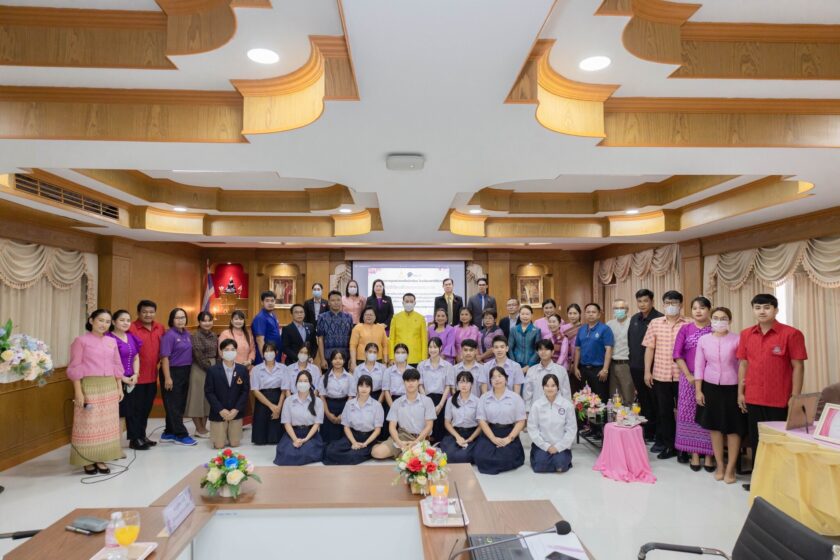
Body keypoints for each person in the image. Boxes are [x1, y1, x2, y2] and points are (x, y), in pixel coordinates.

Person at [736, 293, 807, 491]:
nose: (762, 311)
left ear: (776, 310)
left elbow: (798, 366)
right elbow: (743, 364)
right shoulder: (746, 334)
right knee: (757, 441)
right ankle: (759, 481)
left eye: (767, 307)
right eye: (758, 307)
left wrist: (795, 396)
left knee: (778, 443)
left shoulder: (791, 334)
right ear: (753, 310)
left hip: (780, 399)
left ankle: (780, 485)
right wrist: (740, 392)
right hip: (753, 397)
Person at [68, 309, 125, 474]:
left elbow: (117, 365)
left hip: (109, 387)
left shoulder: (111, 341)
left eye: (107, 322)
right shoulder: (80, 341)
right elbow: (75, 367)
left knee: (106, 425)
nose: (104, 324)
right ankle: (87, 460)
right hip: (90, 386)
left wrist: (119, 387)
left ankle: (101, 458)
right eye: (100, 320)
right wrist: (78, 392)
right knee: (88, 423)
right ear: (91, 320)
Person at [695, 307, 746, 484]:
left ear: (729, 321)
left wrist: (741, 391)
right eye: (715, 318)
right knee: (714, 428)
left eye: (723, 318)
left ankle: (730, 468)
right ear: (711, 320)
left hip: (732, 387)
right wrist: (698, 390)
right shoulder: (703, 340)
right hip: (710, 387)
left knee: (733, 429)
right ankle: (720, 466)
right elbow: (699, 366)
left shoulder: (738, 339)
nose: (719, 321)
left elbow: (743, 366)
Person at [643, 290, 689, 460]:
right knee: (665, 412)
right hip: (661, 375)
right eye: (668, 303)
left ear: (681, 305)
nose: (671, 306)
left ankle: (684, 448)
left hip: (683, 375)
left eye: (674, 303)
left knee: (685, 413)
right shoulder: (655, 323)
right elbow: (650, 349)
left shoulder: (689, 323)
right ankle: (670, 446)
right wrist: (647, 371)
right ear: (663, 305)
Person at [674, 296, 715, 470]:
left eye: (702, 308)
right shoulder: (685, 329)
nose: (698, 311)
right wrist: (688, 375)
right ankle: (695, 454)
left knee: (708, 414)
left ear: (709, 310)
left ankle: (709, 455)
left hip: (711, 380)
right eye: (695, 308)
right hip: (688, 378)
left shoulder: (715, 329)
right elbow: (677, 354)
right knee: (689, 415)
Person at [371, 369, 436, 459]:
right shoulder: (397, 402)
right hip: (402, 436)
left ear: (418, 382)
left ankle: (401, 454)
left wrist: (416, 442)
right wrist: (399, 442)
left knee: (415, 460)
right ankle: (395, 450)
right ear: (403, 382)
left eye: (413, 380)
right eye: (407, 381)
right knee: (377, 453)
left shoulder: (427, 401)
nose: (410, 383)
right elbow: (392, 426)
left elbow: (429, 426)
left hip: (421, 438)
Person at [473, 366, 527, 474]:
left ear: (506, 379)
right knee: (481, 457)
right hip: (490, 431)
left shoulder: (515, 398)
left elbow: (521, 421)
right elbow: (481, 420)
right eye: (493, 377)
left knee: (506, 458)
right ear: (490, 381)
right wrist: (493, 438)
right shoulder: (484, 397)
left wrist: (509, 439)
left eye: (500, 376)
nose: (497, 379)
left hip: (508, 432)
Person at [323, 375, 385, 465]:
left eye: (367, 386)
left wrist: (365, 443)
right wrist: (354, 442)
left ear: (371, 388)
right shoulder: (349, 404)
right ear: (357, 387)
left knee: (352, 456)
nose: (364, 389)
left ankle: (362, 453)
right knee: (330, 450)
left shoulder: (377, 406)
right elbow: (346, 427)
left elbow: (377, 430)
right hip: (352, 436)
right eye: (361, 385)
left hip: (368, 438)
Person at [628, 290, 663, 445]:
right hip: (636, 367)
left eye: (645, 301)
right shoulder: (634, 319)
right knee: (643, 401)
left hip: (654, 369)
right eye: (639, 301)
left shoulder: (659, 319)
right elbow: (631, 342)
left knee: (656, 401)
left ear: (652, 301)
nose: (642, 304)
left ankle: (658, 434)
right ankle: (647, 431)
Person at [574, 303, 614, 436]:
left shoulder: (605, 329)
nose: (590, 314)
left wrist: (605, 369)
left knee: (600, 400)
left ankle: (601, 430)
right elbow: (577, 349)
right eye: (588, 312)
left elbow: (609, 349)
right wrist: (576, 367)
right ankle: (591, 427)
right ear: (585, 314)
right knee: (587, 400)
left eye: (593, 312)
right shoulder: (582, 329)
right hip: (584, 369)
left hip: (599, 370)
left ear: (599, 314)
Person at [128, 300, 164, 448]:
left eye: (151, 312)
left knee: (146, 408)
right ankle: (134, 439)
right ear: (138, 313)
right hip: (135, 376)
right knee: (134, 410)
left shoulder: (160, 327)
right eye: (144, 312)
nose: (148, 314)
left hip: (152, 376)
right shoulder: (131, 328)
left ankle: (142, 435)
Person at [159, 307, 196, 446]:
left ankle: (169, 432)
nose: (181, 320)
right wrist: (168, 378)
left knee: (178, 404)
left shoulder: (186, 333)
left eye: (183, 317)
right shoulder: (169, 335)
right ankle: (181, 434)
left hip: (185, 371)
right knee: (174, 404)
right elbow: (165, 358)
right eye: (178, 318)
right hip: (172, 371)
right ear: (172, 320)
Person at [204, 338, 250, 449]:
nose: (230, 352)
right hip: (218, 412)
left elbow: (245, 391)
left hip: (235, 412)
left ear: (236, 352)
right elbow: (209, 392)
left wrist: (236, 409)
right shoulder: (212, 370)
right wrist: (220, 409)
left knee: (235, 444)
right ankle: (220, 434)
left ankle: (230, 433)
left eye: (233, 349)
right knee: (219, 445)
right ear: (221, 352)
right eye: (226, 349)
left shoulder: (242, 370)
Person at [274, 370, 324, 465]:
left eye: (305, 381)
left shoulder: (318, 402)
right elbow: (286, 423)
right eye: (300, 381)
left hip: (310, 434)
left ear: (310, 384)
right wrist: (295, 439)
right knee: (286, 453)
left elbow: (317, 424)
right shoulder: (289, 400)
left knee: (305, 452)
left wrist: (305, 439)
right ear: (296, 383)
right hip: (293, 433)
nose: (302, 383)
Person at [528, 373, 576, 473]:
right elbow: (532, 429)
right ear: (543, 387)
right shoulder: (537, 405)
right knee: (540, 467)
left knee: (560, 467)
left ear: (558, 387)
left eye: (553, 385)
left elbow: (571, 429)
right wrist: (546, 446)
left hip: (561, 445)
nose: (550, 388)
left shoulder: (567, 405)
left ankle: (562, 459)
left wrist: (558, 447)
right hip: (542, 445)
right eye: (547, 385)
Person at [107, 310, 141, 446]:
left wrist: (136, 374)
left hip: (131, 379)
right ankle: (115, 445)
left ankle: (133, 439)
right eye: (122, 320)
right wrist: (122, 378)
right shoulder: (108, 338)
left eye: (128, 320)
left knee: (130, 410)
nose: (126, 323)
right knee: (118, 413)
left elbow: (136, 357)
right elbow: (108, 362)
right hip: (114, 380)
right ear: (114, 322)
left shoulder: (131, 337)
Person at [439, 371, 481, 464]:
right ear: (457, 384)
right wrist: (458, 437)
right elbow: (447, 422)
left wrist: (470, 438)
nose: (464, 385)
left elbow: (481, 425)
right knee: (448, 455)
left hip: (472, 434)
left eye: (467, 382)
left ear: (471, 384)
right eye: (461, 382)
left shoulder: (477, 401)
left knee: (463, 456)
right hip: (455, 433)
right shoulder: (451, 400)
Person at [187, 311, 216, 441]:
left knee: (207, 399)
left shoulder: (214, 335)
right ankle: (199, 428)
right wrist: (211, 370)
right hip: (200, 369)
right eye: (204, 320)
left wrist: (217, 369)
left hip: (213, 367)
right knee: (197, 398)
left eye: (209, 320)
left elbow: (217, 353)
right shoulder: (196, 336)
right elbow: (198, 355)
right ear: (199, 322)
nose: (207, 323)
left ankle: (202, 429)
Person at [417, 337, 453, 442]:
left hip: (441, 400)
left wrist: (440, 405)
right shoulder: (421, 365)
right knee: (426, 428)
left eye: (435, 347)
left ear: (440, 348)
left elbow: (448, 386)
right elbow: (420, 385)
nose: (432, 350)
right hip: (425, 398)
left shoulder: (447, 366)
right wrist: (426, 402)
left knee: (440, 430)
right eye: (430, 347)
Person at [250, 342, 286, 445]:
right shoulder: (256, 369)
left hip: (278, 397)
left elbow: (284, 389)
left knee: (276, 439)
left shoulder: (283, 368)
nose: (269, 353)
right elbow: (255, 390)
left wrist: (278, 408)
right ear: (263, 353)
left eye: (271, 351)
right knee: (260, 440)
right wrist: (271, 406)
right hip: (262, 399)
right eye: (266, 351)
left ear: (276, 353)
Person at [318, 350, 355, 443]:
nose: (338, 361)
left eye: (340, 358)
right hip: (328, 406)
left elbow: (351, 397)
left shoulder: (350, 377)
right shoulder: (324, 377)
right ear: (331, 361)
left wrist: (343, 414)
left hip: (345, 406)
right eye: (335, 358)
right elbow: (322, 397)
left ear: (344, 360)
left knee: (343, 438)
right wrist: (328, 414)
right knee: (327, 438)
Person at [524, 340, 570, 411]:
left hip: (556, 410)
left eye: (546, 349)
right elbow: (527, 393)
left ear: (552, 352)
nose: (543, 352)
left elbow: (566, 393)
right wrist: (527, 410)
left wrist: (567, 410)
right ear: (537, 352)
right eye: (540, 349)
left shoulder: (561, 370)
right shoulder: (531, 371)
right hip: (536, 411)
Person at [316, 290, 354, 371]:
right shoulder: (322, 317)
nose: (336, 302)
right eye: (333, 300)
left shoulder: (349, 317)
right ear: (329, 302)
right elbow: (320, 339)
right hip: (328, 357)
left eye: (338, 300)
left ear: (341, 302)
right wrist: (322, 359)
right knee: (327, 378)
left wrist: (351, 358)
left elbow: (352, 339)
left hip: (345, 357)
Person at [607, 299, 635, 405]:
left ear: (627, 309)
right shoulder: (609, 324)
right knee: (614, 396)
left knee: (628, 395)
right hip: (612, 364)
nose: (619, 310)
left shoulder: (632, 323)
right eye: (616, 308)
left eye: (622, 308)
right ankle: (616, 415)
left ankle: (629, 414)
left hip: (626, 364)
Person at [388, 293, 428, 366]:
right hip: (399, 356)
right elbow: (391, 339)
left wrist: (424, 358)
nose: (409, 303)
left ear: (415, 303)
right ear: (403, 303)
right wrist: (391, 357)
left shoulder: (421, 318)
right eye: (407, 301)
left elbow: (424, 340)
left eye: (411, 301)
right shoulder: (396, 318)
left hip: (416, 357)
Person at [251, 290, 282, 365]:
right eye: (267, 301)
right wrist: (265, 358)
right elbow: (260, 340)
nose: (270, 303)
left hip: (274, 355)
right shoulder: (260, 318)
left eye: (272, 301)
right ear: (262, 302)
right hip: (266, 358)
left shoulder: (273, 315)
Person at [509, 305, 540, 373]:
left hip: (532, 364)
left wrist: (529, 365)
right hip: (516, 363)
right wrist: (514, 364)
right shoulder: (513, 329)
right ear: (519, 315)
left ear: (531, 315)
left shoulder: (536, 330)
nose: (525, 316)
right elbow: (510, 348)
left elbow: (538, 349)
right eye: (522, 314)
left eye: (527, 314)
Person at [562, 304, 582, 392]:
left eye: (575, 313)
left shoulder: (583, 328)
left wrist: (575, 363)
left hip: (579, 361)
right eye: (570, 313)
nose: (572, 316)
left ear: (579, 314)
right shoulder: (563, 328)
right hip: (565, 362)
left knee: (577, 387)